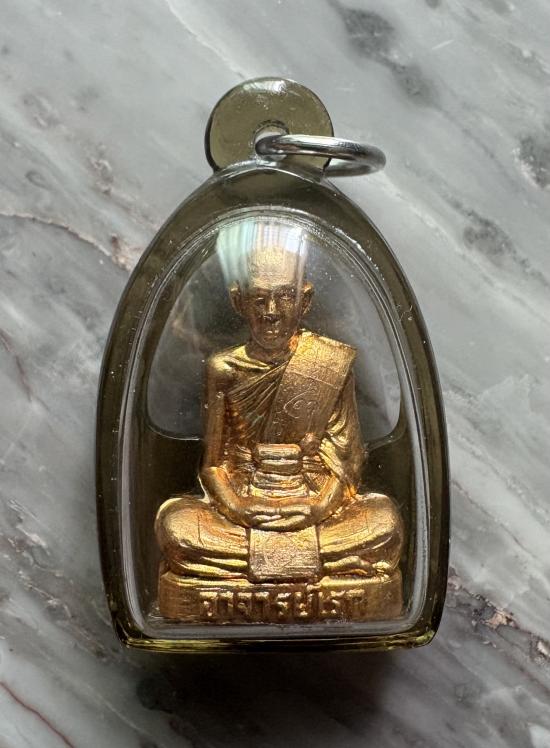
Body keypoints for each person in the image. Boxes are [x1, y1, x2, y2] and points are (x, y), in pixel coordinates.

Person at [155, 219, 403, 584]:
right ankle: (330, 564)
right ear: (238, 301)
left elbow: (348, 461)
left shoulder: (329, 364)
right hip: (246, 510)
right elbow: (213, 466)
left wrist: (317, 507)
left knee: (385, 522)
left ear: (305, 300)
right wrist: (239, 508)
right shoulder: (224, 368)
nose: (271, 311)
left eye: (285, 296)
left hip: (313, 507)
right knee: (176, 525)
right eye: (259, 299)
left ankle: (245, 568)